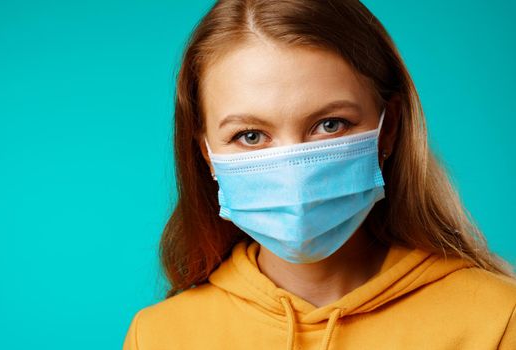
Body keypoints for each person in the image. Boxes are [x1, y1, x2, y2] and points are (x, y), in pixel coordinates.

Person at [123, 1, 516, 349]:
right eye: (250, 135)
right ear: (206, 153)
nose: (294, 172)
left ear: (389, 128)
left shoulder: (498, 320)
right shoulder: (159, 336)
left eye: (330, 125)